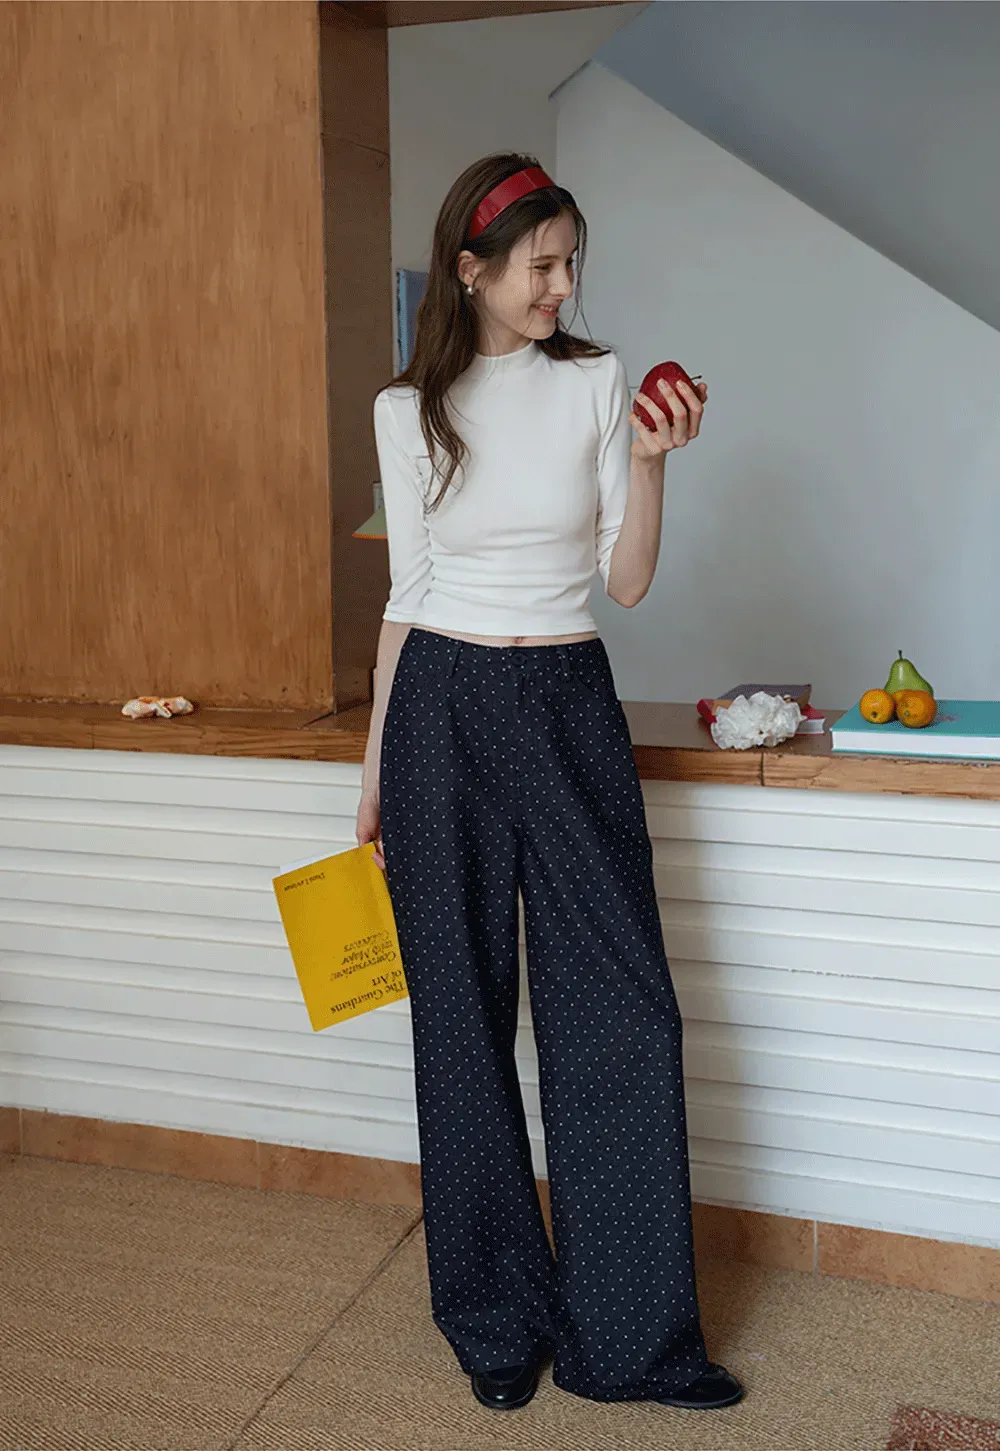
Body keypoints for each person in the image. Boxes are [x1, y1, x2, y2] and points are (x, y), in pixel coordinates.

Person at [357, 153, 744, 1416]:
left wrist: (654, 463)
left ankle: (633, 1338)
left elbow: (622, 582)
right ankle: (493, 1319)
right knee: (459, 1015)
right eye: (541, 265)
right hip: (440, 708)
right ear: (471, 270)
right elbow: (406, 598)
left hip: (569, 695)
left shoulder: (595, 381)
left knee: (621, 1007)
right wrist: (372, 772)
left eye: (572, 262)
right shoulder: (407, 408)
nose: (562, 286)